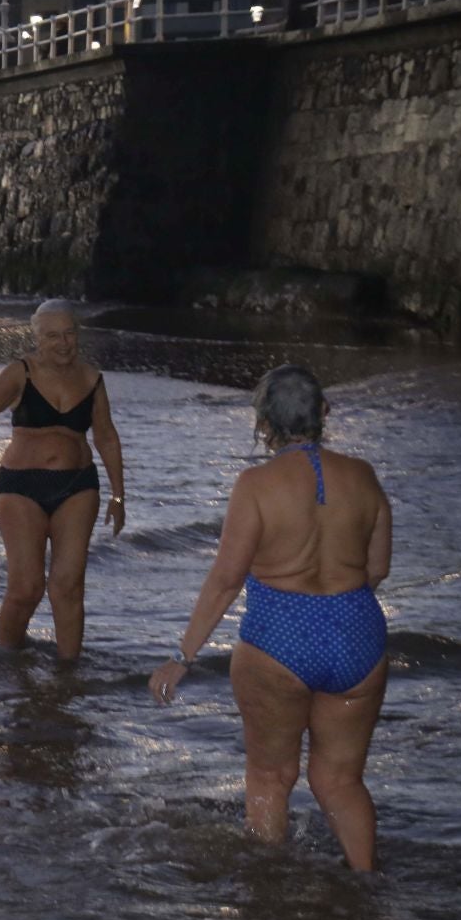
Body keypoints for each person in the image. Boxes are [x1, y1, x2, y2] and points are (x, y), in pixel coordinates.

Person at [149, 365, 392, 871]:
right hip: (357, 635)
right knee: (340, 781)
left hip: (280, 639)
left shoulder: (256, 485)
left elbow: (225, 581)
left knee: (270, 776)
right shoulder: (364, 477)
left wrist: (181, 657)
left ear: (263, 425)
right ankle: (368, 887)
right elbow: (377, 568)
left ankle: (269, 891)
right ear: (324, 413)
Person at [0, 299, 125, 659]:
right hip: (21, 487)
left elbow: (106, 437)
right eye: (53, 336)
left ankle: (68, 669)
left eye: (69, 334)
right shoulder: (22, 372)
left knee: (67, 586)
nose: (63, 343)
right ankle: (4, 658)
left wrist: (119, 496)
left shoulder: (92, 378)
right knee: (27, 587)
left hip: (78, 486)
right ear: (37, 339)